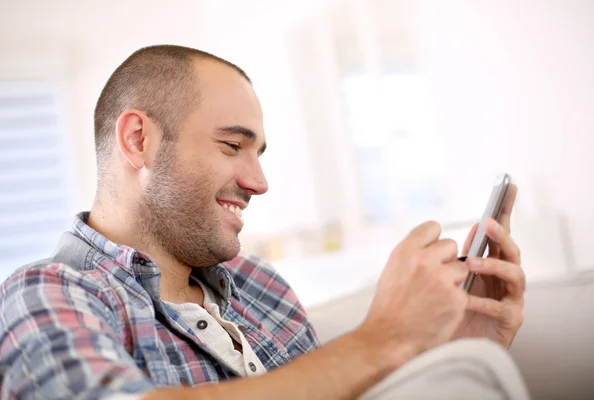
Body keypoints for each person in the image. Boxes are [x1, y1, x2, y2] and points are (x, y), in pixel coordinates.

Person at [0, 45, 529, 400]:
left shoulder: (261, 286)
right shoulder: (46, 293)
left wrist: (456, 354)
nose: (258, 182)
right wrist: (383, 337)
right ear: (139, 140)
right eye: (232, 145)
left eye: (259, 153)